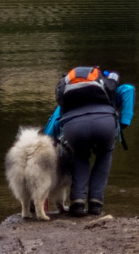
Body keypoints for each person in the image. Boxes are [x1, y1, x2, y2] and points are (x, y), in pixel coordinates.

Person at [41, 66, 131, 217]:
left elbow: (53, 125)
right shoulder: (107, 87)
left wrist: (45, 142)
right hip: (106, 123)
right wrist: (123, 122)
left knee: (79, 156)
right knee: (104, 155)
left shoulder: (67, 99)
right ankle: (95, 204)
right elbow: (128, 89)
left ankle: (77, 202)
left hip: (74, 127)